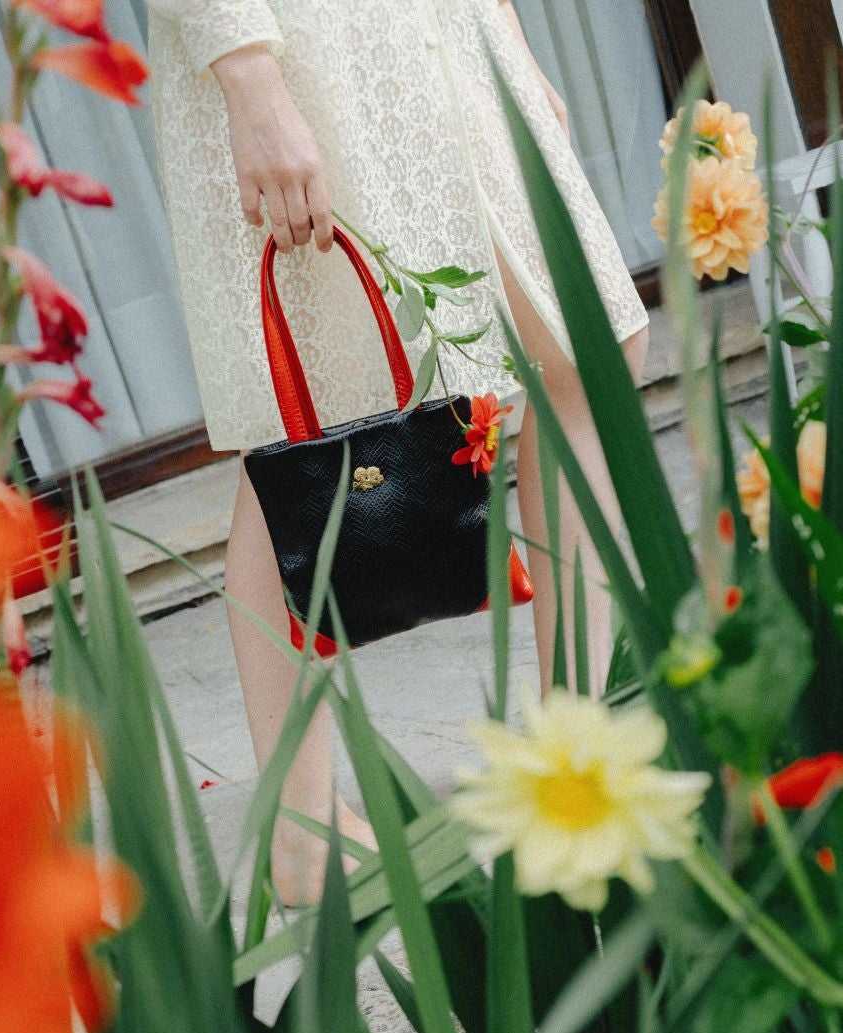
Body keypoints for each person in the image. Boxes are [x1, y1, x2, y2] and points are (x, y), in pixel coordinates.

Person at [146, 0, 649, 902]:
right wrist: (251, 81)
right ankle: (303, 833)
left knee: (590, 355)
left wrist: (508, 32)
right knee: (318, 431)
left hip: (444, 33)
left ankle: (578, 746)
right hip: (314, 56)